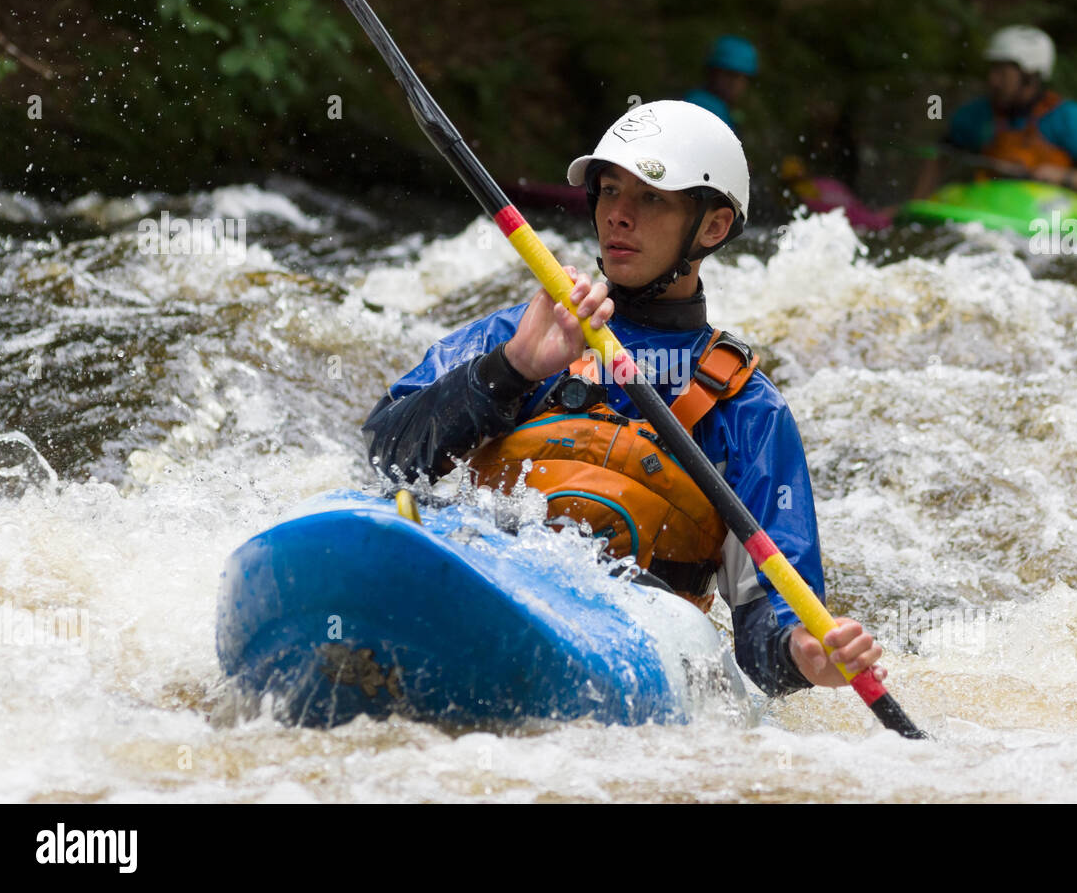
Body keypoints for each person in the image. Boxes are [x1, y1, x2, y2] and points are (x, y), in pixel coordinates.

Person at [362, 100, 884, 697]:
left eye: (651, 198)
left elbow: (766, 634)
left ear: (712, 227)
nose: (619, 216)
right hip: (479, 582)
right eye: (609, 191)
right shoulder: (518, 335)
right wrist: (510, 371)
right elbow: (386, 457)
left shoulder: (748, 412)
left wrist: (805, 655)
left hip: (628, 645)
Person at [913, 25, 1077, 202]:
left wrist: (1061, 177)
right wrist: (918, 202)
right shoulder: (976, 114)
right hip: (994, 205)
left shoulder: (1072, 119)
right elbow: (939, 156)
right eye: (992, 70)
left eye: (1002, 73)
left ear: (1029, 76)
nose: (993, 80)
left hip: (1049, 211)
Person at [684, 35, 758, 132]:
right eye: (730, 75)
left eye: (743, 78)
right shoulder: (702, 107)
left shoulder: (724, 109)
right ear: (713, 73)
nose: (736, 84)